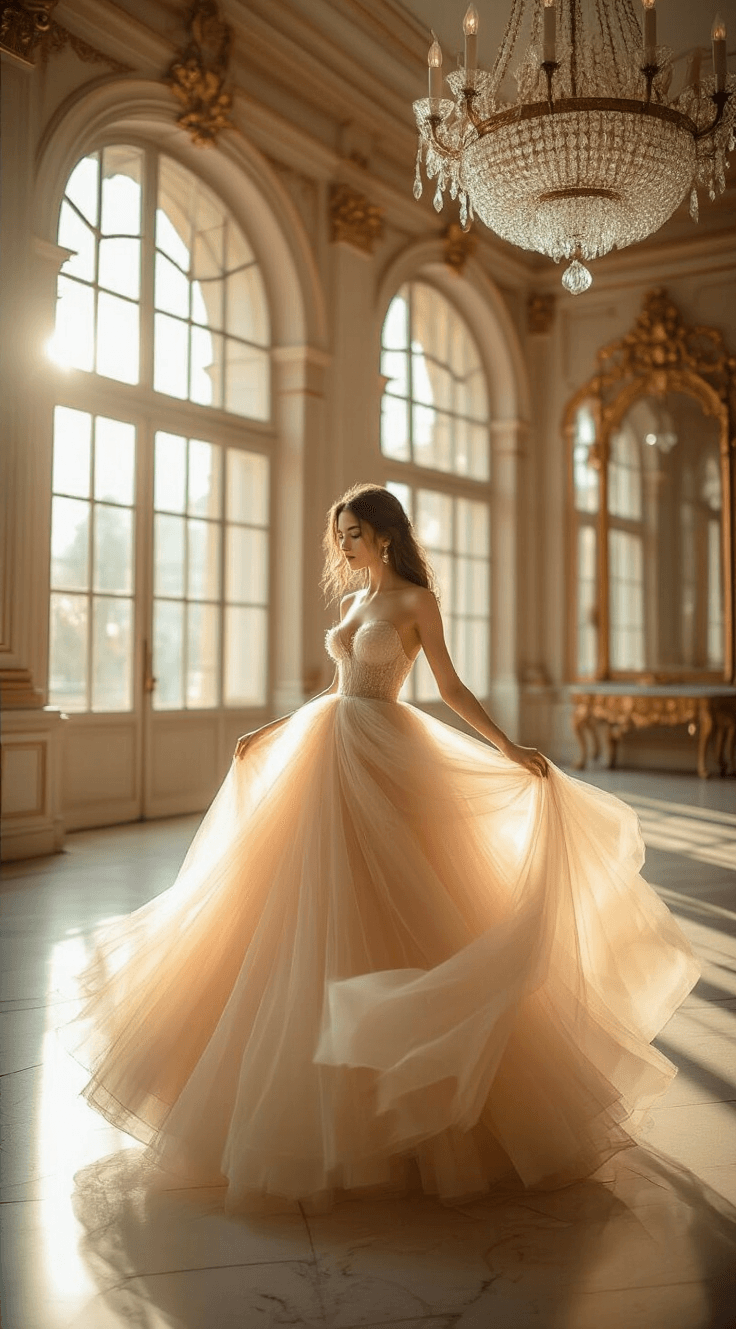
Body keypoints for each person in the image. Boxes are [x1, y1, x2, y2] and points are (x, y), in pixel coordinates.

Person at [65, 483, 699, 1212]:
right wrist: (269, 732)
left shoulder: (412, 604)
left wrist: (507, 745)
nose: (344, 546)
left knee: (401, 903)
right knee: (292, 914)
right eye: (340, 534)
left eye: (354, 533)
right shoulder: (354, 604)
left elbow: (451, 687)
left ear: (386, 536)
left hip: (386, 758)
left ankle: (408, 1094)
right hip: (328, 753)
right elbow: (334, 689)